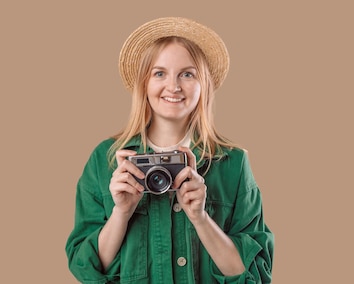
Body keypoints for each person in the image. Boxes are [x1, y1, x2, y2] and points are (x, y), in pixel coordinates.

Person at [65, 17, 274, 283]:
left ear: (203, 85)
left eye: (187, 74)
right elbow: (87, 268)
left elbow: (253, 275)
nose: (173, 87)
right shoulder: (105, 160)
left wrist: (200, 217)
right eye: (159, 73)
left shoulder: (233, 163)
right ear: (144, 83)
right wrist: (122, 212)